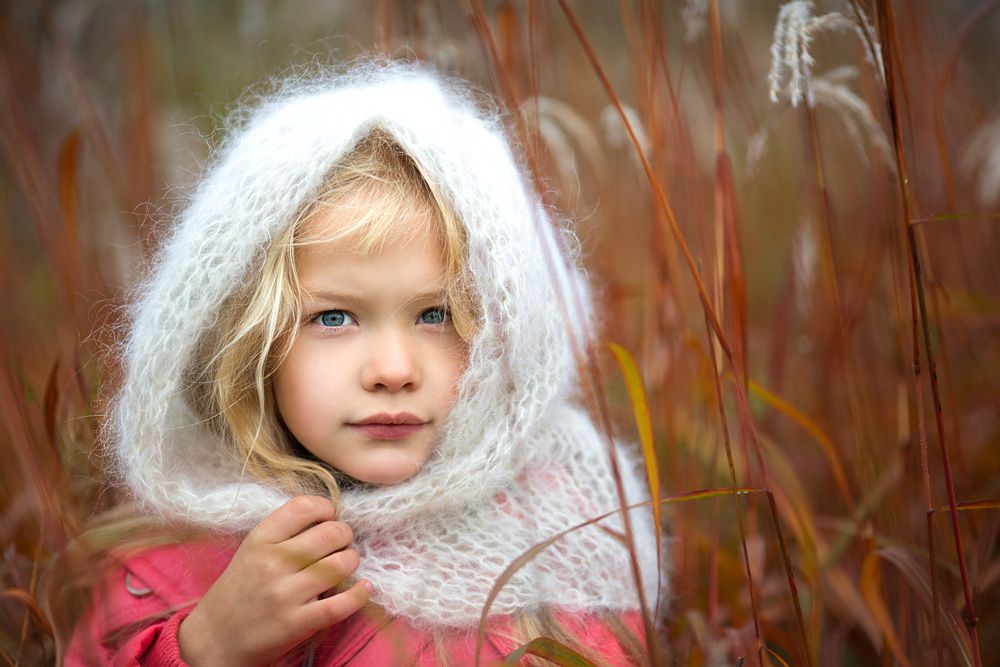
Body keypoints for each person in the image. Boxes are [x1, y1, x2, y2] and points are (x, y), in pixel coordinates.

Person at [65, 60, 662, 666]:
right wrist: (205, 647)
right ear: (252, 344)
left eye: (438, 315)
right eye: (334, 318)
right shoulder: (179, 560)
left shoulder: (561, 532)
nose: (394, 369)